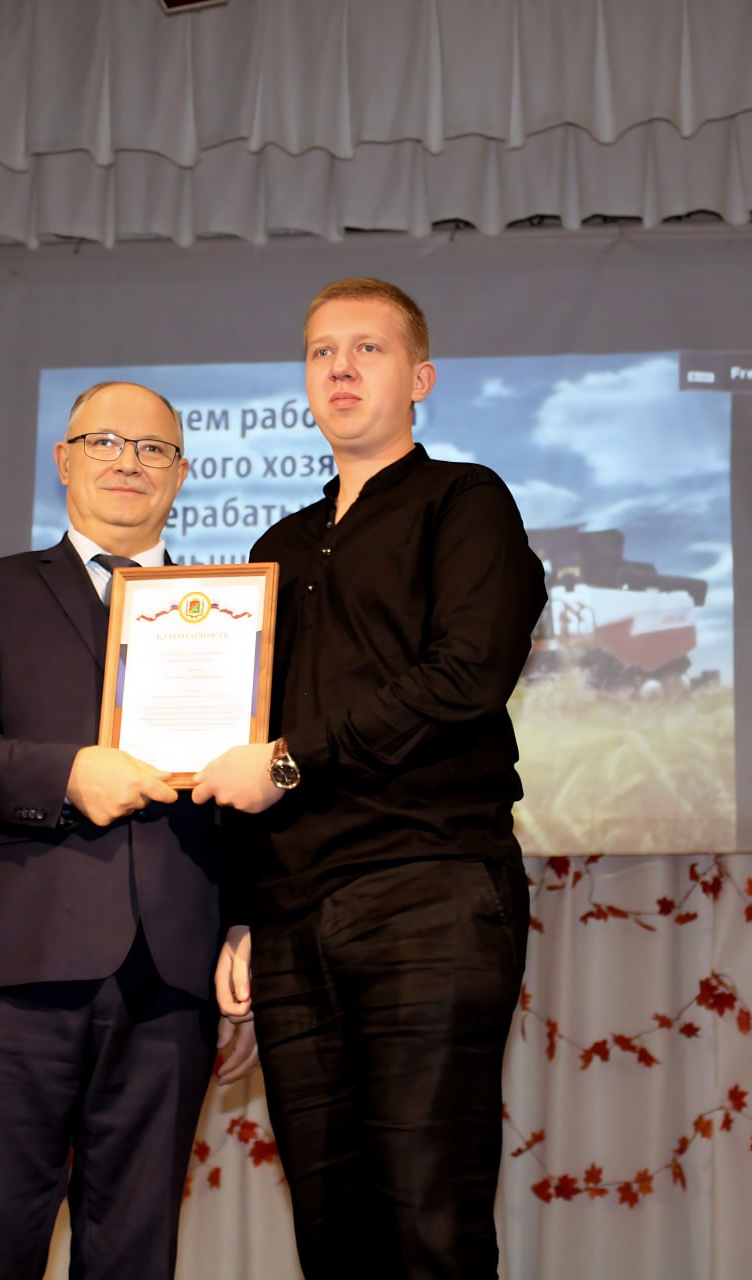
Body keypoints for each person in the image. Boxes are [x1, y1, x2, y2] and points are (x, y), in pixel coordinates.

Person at [193, 279, 547, 1278]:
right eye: (320, 351)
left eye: (367, 348)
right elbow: (251, 736)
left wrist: (290, 761)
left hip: (427, 889)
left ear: (419, 379)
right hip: (292, 915)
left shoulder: (465, 501)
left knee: (428, 1223)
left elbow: (464, 674)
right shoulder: (272, 549)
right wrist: (241, 913)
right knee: (333, 1234)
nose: (339, 368)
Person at [0, 381, 257, 1280]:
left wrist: (248, 925)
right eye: (105, 442)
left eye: (153, 449)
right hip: (14, 967)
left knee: (136, 1255)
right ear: (63, 460)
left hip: (172, 977)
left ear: (182, 474)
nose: (129, 463)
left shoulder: (228, 613)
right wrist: (67, 775)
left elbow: (250, 795)